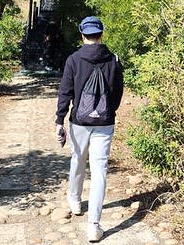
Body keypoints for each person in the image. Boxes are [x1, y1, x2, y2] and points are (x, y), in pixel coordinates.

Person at [55, 16, 124, 243]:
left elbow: (65, 91)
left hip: (79, 122)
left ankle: (74, 200)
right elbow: (117, 93)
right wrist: (108, 111)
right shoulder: (113, 60)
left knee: (78, 159)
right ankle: (94, 225)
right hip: (105, 123)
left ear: (82, 35)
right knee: (100, 170)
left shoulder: (74, 59)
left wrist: (60, 120)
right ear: (101, 35)